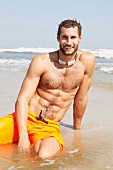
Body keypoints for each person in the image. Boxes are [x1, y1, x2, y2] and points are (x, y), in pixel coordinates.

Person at [0, 19, 95, 158]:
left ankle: (32, 144)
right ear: (58, 38)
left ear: (80, 38)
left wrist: (77, 130)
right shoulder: (42, 62)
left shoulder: (87, 62)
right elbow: (22, 100)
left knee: (43, 157)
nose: (69, 42)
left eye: (73, 37)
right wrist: (23, 136)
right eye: (64, 37)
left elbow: (81, 98)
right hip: (26, 118)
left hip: (49, 126)